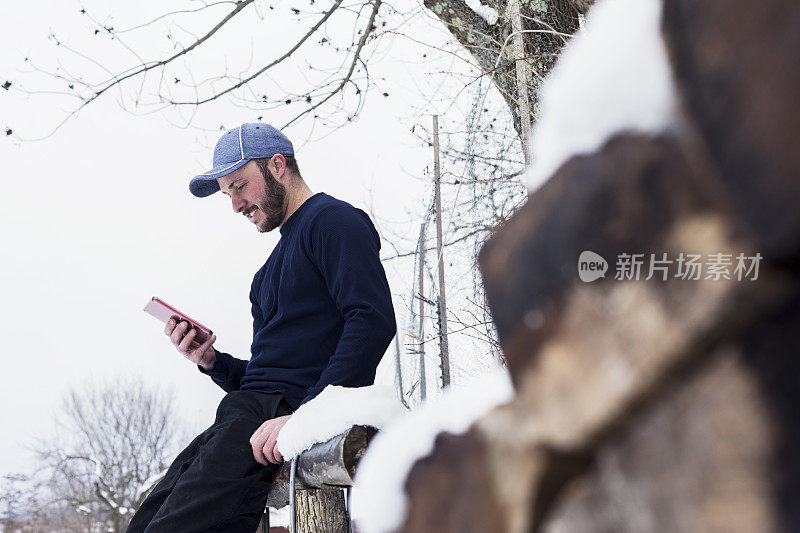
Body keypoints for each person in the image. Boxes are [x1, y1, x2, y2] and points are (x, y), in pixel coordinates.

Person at [127, 123, 396, 532]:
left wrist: (309, 417)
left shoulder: (333, 221)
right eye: (227, 194)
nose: (236, 205)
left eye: (240, 186)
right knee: (146, 523)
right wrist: (212, 361)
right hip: (243, 416)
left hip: (284, 417)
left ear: (277, 165)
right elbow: (265, 379)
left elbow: (372, 320)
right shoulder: (265, 276)